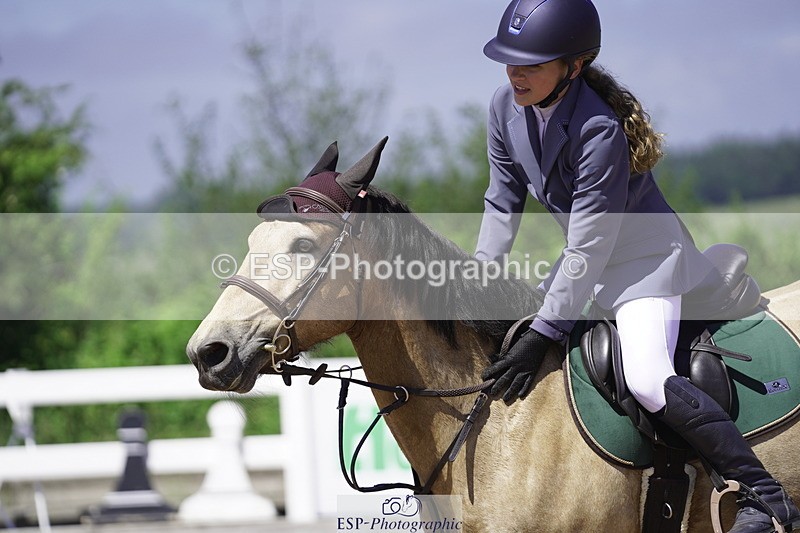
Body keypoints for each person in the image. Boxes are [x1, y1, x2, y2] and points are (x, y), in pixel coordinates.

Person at [475, 1, 800, 531]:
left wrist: (546, 329)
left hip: (645, 263)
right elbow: (500, 201)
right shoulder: (503, 108)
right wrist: (480, 276)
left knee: (648, 377)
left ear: (574, 66)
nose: (515, 73)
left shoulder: (598, 128)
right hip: (588, 262)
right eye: (510, 60)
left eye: (532, 63)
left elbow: (589, 241)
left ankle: (764, 497)